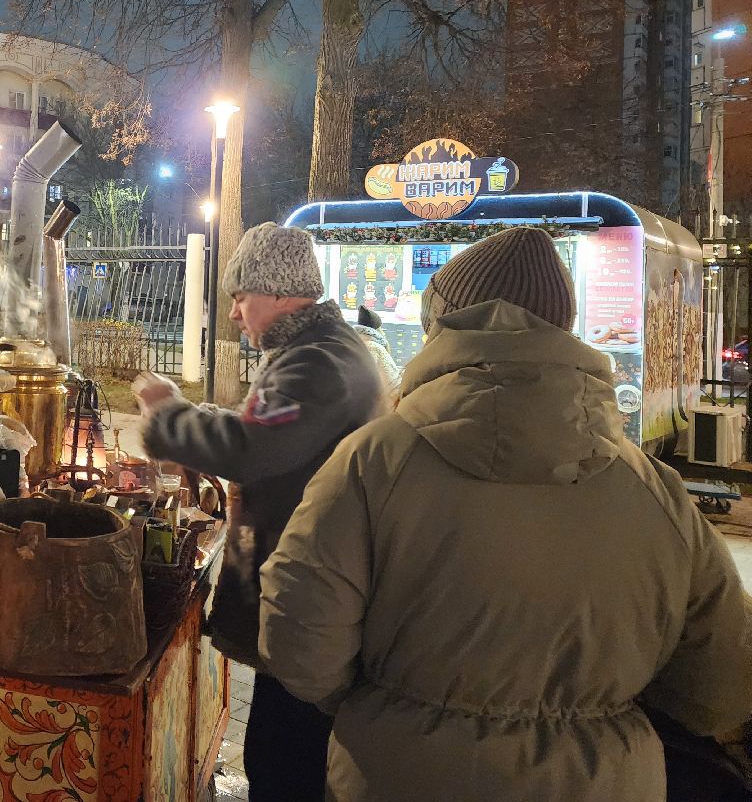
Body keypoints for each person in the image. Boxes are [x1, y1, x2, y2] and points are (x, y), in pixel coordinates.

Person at [260, 227, 752, 802]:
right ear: (561, 329)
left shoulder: (373, 463)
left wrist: (382, 704)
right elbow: (724, 679)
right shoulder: (655, 493)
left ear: (441, 328)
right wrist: (604, 709)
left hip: (399, 775)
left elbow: (299, 640)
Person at [133, 224, 382, 801]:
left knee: (283, 764)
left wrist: (166, 416)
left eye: (240, 297)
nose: (236, 313)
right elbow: (269, 427)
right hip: (311, 588)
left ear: (274, 292)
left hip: (310, 600)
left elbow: (253, 444)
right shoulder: (317, 352)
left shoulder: (317, 363)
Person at [353, 303, 401, 393]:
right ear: (375, 330)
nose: (383, 332)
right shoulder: (375, 348)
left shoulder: (354, 344)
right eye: (380, 328)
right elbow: (394, 383)